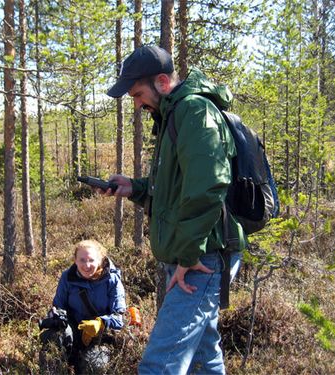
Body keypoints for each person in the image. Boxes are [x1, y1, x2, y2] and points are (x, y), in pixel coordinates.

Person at [104, 45, 246, 374]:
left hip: (202, 257)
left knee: (160, 364)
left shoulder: (193, 111)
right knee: (203, 356)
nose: (137, 104)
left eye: (138, 94)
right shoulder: (172, 116)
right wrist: (135, 188)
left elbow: (209, 184)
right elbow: (176, 190)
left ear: (163, 82)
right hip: (192, 253)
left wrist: (187, 255)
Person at [39, 239, 126, 374]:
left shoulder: (112, 280)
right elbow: (58, 306)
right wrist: (57, 319)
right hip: (74, 332)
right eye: (82, 260)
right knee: (53, 336)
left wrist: (100, 323)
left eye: (91, 260)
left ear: (100, 260)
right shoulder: (67, 277)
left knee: (95, 365)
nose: (87, 265)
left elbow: (120, 317)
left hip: (100, 338)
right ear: (75, 260)